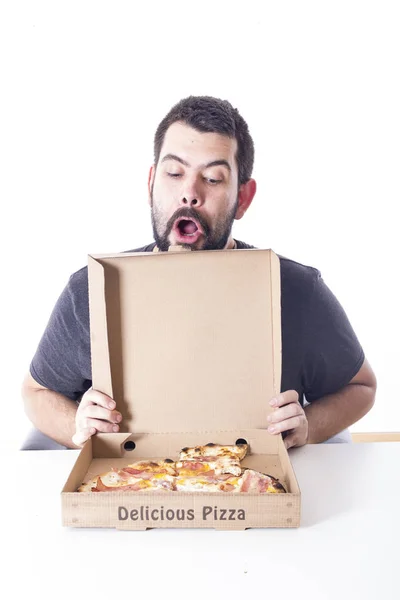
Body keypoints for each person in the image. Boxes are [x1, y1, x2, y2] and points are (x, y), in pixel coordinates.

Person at [21, 95, 376, 451]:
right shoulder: (92, 290)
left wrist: (308, 426)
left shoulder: (297, 290)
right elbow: (36, 391)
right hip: (133, 487)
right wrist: (76, 425)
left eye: (212, 178)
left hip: (253, 486)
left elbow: (361, 387)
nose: (189, 193)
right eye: (174, 173)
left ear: (243, 197)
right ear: (151, 183)